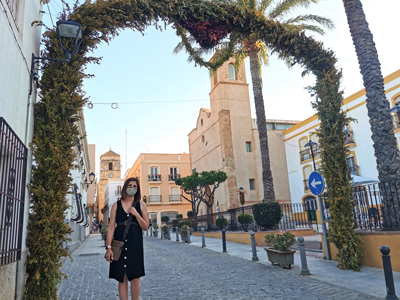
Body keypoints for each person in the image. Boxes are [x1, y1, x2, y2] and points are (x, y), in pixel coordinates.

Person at [105, 177, 149, 300]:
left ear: (138, 189)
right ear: (125, 187)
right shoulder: (116, 205)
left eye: (135, 186)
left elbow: (145, 226)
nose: (132, 188)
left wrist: (136, 214)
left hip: (135, 246)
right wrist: (109, 248)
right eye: (130, 185)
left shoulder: (141, 205)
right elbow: (111, 227)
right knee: (122, 279)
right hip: (119, 245)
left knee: (135, 279)